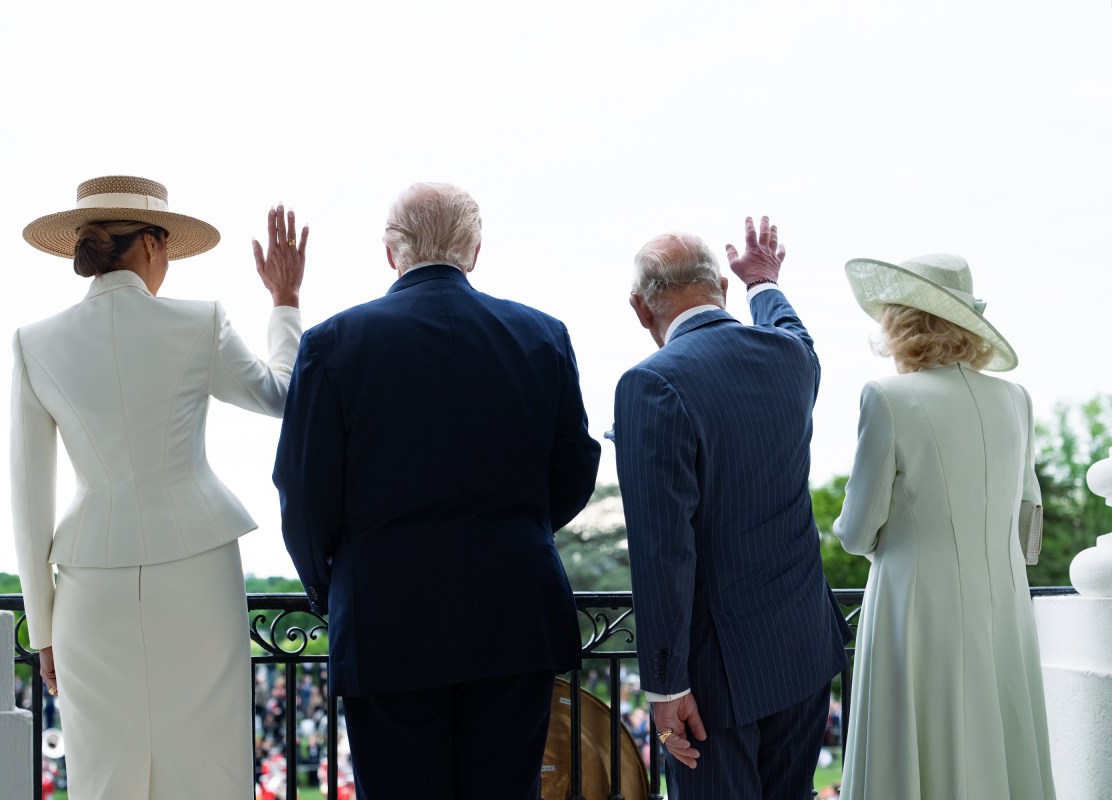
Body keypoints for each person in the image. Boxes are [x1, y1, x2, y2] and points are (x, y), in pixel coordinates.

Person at [273, 181, 601, 800]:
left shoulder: (333, 345)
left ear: (391, 253)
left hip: (386, 619)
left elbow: (303, 491)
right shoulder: (543, 337)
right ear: (474, 251)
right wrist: (517, 530)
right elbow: (575, 468)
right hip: (514, 614)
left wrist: (328, 582)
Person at [13, 175, 306, 799]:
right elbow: (284, 395)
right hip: (198, 564)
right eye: (168, 245)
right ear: (150, 243)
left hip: (90, 584)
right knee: (209, 767)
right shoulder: (201, 324)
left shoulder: (34, 344)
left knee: (102, 774)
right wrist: (285, 300)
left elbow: (28, 500)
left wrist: (42, 631)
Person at [613, 218, 852, 799]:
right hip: (803, 655)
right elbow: (796, 330)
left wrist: (665, 685)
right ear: (719, 285)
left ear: (641, 309)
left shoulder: (652, 384)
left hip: (712, 682)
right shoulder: (790, 360)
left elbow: (662, 549)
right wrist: (763, 284)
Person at [833, 253, 1054, 799]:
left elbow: (857, 531)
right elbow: (1030, 524)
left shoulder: (888, 397)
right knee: (1001, 737)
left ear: (901, 323)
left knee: (912, 747)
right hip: (1001, 606)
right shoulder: (1015, 400)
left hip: (913, 607)